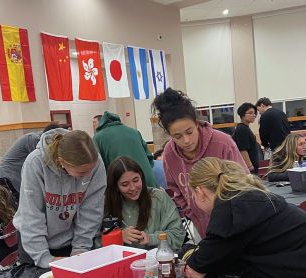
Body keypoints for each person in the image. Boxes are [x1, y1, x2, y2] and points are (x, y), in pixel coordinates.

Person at [183, 157, 306, 278]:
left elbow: (197, 267)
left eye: (193, 195)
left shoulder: (229, 211)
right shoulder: (248, 198)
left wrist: (188, 253)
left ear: (199, 191)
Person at [151, 88, 247, 238]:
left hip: (237, 225)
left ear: (196, 123)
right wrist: (192, 212)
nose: (186, 140)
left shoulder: (222, 143)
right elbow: (176, 189)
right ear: (169, 135)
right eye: (177, 136)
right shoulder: (169, 153)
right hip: (202, 228)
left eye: (189, 132)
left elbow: (244, 185)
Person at [13, 129, 106, 275]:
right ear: (62, 162)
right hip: (34, 244)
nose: (88, 176)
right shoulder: (35, 163)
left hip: (70, 240)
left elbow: (92, 211)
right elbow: (31, 215)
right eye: (81, 173)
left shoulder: (95, 163)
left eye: (90, 170)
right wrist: (45, 258)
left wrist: (80, 249)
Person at [105, 156, 185, 250]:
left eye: (136, 180)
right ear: (115, 187)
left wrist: (151, 238)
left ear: (142, 177)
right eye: (125, 184)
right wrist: (118, 236)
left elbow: (178, 234)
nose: (133, 188)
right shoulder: (105, 204)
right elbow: (95, 242)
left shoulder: (159, 198)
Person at [0, 123, 60, 197]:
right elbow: (41, 162)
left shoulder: (37, 138)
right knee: (17, 202)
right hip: (7, 175)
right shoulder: (34, 139)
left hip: (12, 175)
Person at [94, 111, 157, 188]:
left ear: (100, 124)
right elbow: (150, 158)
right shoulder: (134, 132)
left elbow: (98, 169)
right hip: (148, 181)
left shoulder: (98, 138)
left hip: (125, 187)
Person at [232, 103, 259, 174]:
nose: (254, 115)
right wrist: (250, 167)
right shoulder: (242, 129)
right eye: (250, 113)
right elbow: (242, 149)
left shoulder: (245, 128)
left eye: (255, 113)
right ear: (243, 115)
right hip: (248, 169)